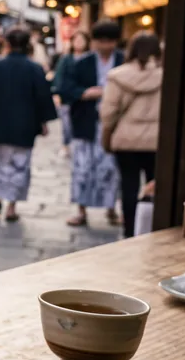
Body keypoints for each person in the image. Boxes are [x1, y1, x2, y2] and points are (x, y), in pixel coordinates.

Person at [0, 27, 57, 222]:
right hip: (25, 124)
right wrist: (43, 121)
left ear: (7, 44)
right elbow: (42, 98)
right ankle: (12, 206)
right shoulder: (35, 69)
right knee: (20, 164)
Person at [58, 19, 124, 227]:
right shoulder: (82, 63)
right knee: (83, 167)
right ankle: (81, 210)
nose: (105, 46)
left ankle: (111, 208)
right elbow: (65, 87)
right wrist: (85, 93)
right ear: (94, 42)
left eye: (110, 41)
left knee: (111, 168)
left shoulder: (123, 61)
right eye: (101, 41)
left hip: (113, 123)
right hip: (86, 120)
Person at [101, 31, 162, 237]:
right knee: (157, 186)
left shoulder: (118, 75)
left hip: (126, 140)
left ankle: (130, 231)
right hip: (157, 141)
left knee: (129, 186)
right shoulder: (167, 75)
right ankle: (154, 228)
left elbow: (108, 113)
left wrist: (107, 134)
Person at [52, 31, 90, 152]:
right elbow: (59, 77)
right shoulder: (66, 59)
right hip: (67, 98)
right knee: (67, 125)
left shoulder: (90, 59)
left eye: (82, 40)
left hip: (85, 98)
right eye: (76, 40)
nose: (79, 43)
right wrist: (57, 94)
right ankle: (66, 144)